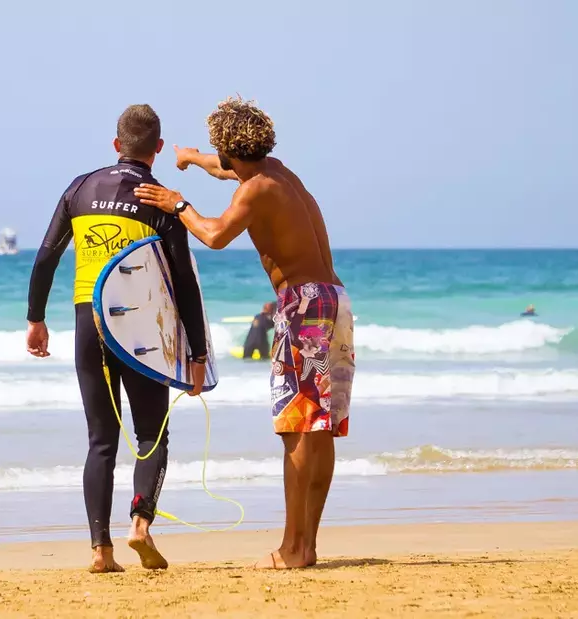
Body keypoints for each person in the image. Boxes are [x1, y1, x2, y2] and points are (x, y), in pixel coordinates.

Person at [133, 96, 354, 570]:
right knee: (320, 430)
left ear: (232, 149)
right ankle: (307, 545)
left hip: (303, 307)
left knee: (297, 429)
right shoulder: (276, 172)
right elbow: (226, 169)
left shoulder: (253, 192)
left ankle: (293, 549)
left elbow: (213, 235)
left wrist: (178, 203)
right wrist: (191, 158)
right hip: (334, 301)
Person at [25, 104, 209, 574]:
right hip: (142, 331)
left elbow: (46, 257)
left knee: (100, 441)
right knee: (151, 435)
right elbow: (184, 282)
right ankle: (141, 525)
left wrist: (36, 319)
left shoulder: (79, 187)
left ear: (115, 144)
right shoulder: (159, 199)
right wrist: (198, 352)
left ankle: (99, 551)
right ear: (159, 149)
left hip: (89, 324)